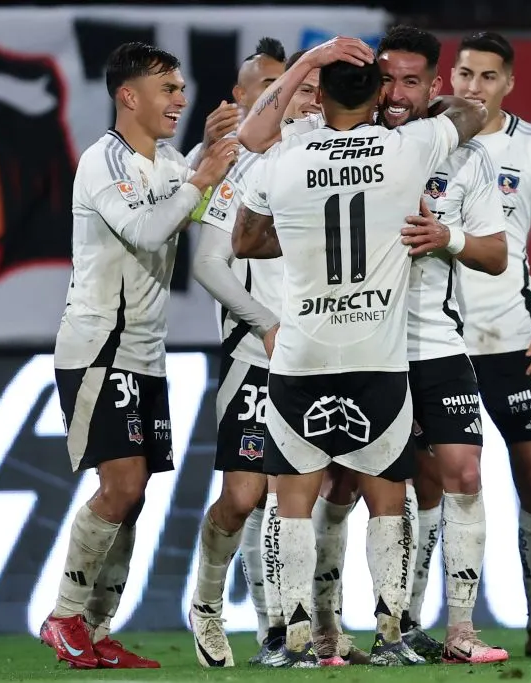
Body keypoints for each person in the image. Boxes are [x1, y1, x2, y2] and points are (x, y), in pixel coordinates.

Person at [239, 26, 512, 665]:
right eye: (385, 79)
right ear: (371, 87)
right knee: (363, 491)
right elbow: (472, 112)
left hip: (394, 344)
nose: (396, 91)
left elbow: (248, 209)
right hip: (376, 352)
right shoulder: (417, 149)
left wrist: (443, 236)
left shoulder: (293, 151)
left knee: (437, 478)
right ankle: (352, 633)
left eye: (411, 81)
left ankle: (338, 636)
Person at [38, 41, 236, 669]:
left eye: (180, 88)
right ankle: (64, 616)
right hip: (98, 347)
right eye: (168, 88)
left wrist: (205, 155)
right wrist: (200, 176)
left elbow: (196, 194)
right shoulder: (101, 162)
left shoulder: (174, 162)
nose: (180, 98)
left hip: (146, 354)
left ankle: (92, 631)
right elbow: (149, 228)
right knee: (120, 486)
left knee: (137, 491)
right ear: (130, 96)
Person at [187, 40, 325, 669]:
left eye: (302, 86)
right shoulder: (237, 165)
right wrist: (265, 323)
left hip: (320, 352)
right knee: (244, 498)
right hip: (254, 351)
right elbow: (209, 264)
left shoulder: (329, 157)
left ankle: (284, 630)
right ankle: (208, 606)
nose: (300, 97)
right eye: (284, 87)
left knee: (302, 496)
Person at [451, 31, 531, 657]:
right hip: (439, 341)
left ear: (508, 84)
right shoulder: (424, 139)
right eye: (464, 74)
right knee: (444, 483)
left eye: (486, 77)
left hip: (513, 338)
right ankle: (440, 627)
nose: (472, 87)